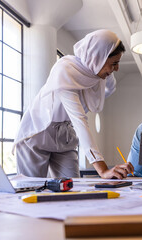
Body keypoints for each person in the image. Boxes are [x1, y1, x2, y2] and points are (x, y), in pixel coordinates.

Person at [14, 29, 133, 179]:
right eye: (114, 64)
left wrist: (108, 70)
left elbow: (110, 88)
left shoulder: (94, 72)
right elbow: (80, 120)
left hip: (65, 134)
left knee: (72, 186)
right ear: (97, 58)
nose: (117, 68)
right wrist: (103, 170)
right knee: (31, 188)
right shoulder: (65, 71)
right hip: (39, 131)